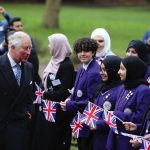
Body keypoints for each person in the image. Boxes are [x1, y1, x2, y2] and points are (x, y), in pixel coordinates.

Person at [34, 33, 75, 150]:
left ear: (58, 46)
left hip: (58, 112)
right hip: (48, 107)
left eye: (51, 44)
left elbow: (64, 93)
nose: (48, 46)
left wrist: (44, 94)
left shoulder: (66, 66)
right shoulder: (54, 60)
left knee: (53, 141)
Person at [60, 37, 102, 150]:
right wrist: (69, 98)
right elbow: (76, 90)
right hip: (79, 118)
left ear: (93, 52)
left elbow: (91, 101)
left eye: (86, 51)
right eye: (80, 51)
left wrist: (69, 105)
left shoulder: (94, 72)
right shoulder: (81, 68)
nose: (82, 54)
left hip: (88, 122)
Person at [106, 56, 150, 150]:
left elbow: (142, 117)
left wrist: (117, 115)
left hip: (129, 142)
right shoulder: (123, 86)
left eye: (122, 69)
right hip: (115, 138)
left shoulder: (143, 90)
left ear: (132, 71)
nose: (118, 72)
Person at [0, 31, 34, 150]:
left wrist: (29, 111)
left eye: (30, 48)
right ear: (12, 47)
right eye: (25, 48)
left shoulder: (29, 67)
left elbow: (30, 95)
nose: (28, 52)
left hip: (19, 129)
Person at [90, 55, 122, 150]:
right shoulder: (101, 87)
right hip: (96, 136)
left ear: (113, 70)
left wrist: (99, 124)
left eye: (105, 70)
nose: (101, 73)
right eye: (101, 69)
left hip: (109, 138)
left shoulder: (120, 90)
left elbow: (118, 117)